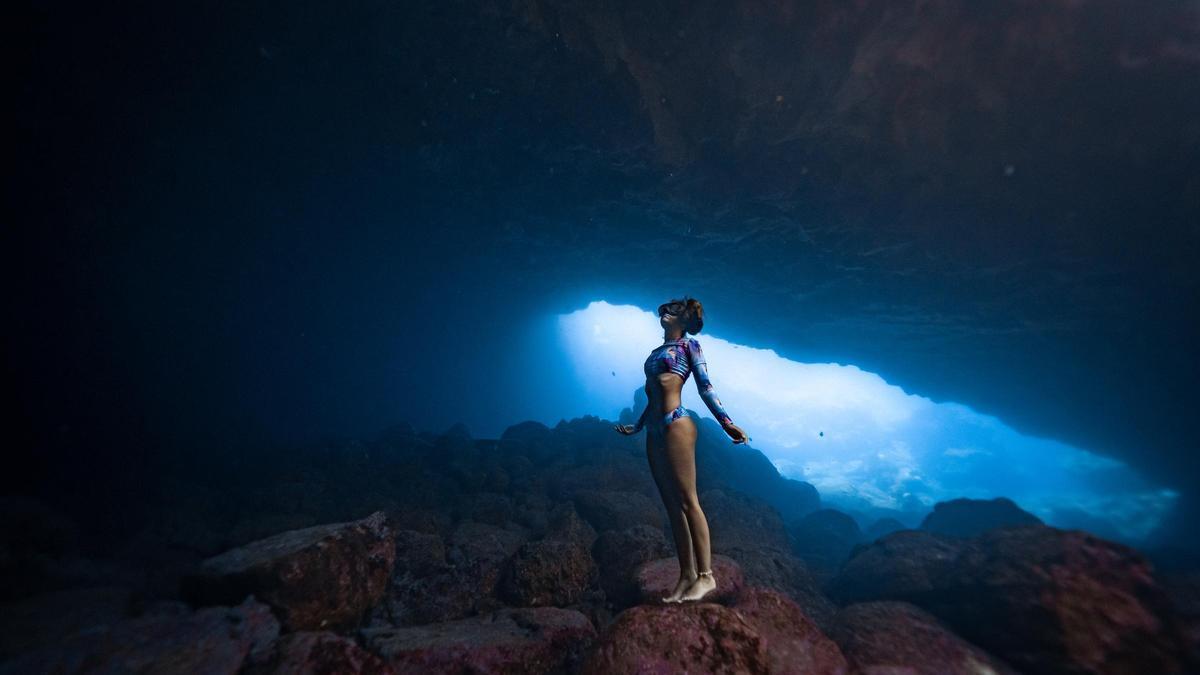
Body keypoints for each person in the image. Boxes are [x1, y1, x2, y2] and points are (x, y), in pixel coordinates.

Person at [614, 296, 749, 603]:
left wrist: (727, 422)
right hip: (654, 429)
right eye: (667, 309)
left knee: (689, 501)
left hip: (677, 424)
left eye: (675, 311)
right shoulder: (654, 353)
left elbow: (705, 387)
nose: (667, 313)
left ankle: (706, 577)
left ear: (685, 320)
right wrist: (636, 427)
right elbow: (651, 397)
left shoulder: (690, 347)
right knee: (672, 507)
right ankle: (686, 575)